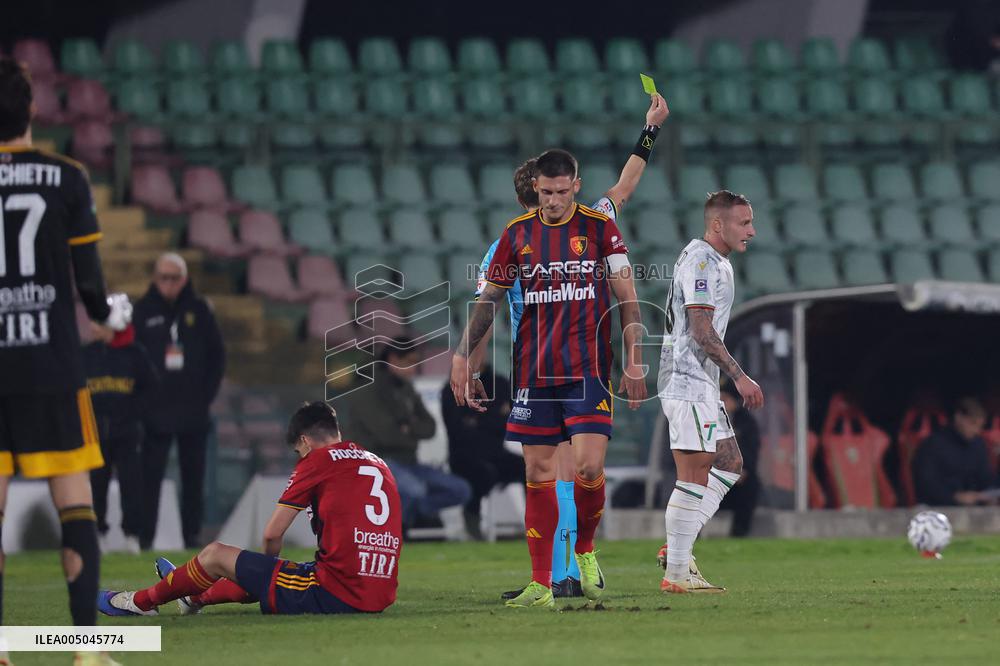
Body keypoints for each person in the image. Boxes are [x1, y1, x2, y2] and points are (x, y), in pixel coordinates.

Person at [467, 94, 669, 600]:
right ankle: (561, 575)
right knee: (556, 472)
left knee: (566, 471)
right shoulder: (516, 240)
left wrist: (469, 360)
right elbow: (627, 183)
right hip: (540, 366)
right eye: (544, 194)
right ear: (534, 194)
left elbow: (487, 306)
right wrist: (649, 131)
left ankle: (565, 571)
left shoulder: (514, 241)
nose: (551, 202)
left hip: (564, 363)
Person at [0, 56, 130, 666]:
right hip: (52, 364)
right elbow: (92, 295)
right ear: (30, 109)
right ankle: (83, 650)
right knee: (74, 501)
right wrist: (113, 315)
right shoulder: (67, 177)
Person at [98, 401, 402, 617]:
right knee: (290, 571)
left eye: (298, 450)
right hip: (378, 589)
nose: (300, 456)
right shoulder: (376, 461)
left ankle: (138, 602)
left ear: (305, 441)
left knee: (216, 554)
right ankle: (192, 595)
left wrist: (260, 570)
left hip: (337, 593)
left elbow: (272, 534)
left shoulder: (318, 461)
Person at [657, 190, 763, 594]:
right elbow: (701, 330)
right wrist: (739, 376)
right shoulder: (703, 261)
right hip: (686, 380)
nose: (751, 231)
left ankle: (677, 550)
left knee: (730, 463)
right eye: (744, 222)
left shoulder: (710, 259)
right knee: (695, 471)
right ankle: (678, 573)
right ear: (718, 224)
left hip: (697, 381)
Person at [133, 252, 225, 549]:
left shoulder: (199, 309)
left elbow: (217, 356)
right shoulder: (143, 311)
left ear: (184, 279)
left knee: (193, 478)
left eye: (175, 278)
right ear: (155, 278)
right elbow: (132, 358)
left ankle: (191, 535)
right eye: (164, 278)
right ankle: (145, 536)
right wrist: (142, 401)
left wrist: (204, 397)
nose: (169, 284)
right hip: (154, 412)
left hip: (192, 411)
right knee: (149, 478)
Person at [342, 337, 471, 532]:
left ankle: (408, 519)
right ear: (393, 359)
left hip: (409, 462)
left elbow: (430, 428)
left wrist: (407, 427)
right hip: (378, 462)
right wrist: (410, 428)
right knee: (414, 490)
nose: (414, 368)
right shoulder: (366, 389)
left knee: (460, 490)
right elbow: (387, 435)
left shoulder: (406, 388)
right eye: (410, 362)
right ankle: (397, 528)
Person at [82, 298, 159, 553]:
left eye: (99, 322)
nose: (93, 327)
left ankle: (132, 536)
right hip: (95, 435)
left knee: (132, 485)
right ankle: (98, 535)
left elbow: (150, 390)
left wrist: (132, 415)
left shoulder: (136, 354)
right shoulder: (87, 354)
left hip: (127, 433)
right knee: (97, 486)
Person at [441, 363, 524, 540]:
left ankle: (538, 523)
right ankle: (473, 525)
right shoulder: (452, 387)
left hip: (496, 451)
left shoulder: (500, 383)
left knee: (531, 469)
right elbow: (458, 429)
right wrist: (495, 414)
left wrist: (477, 419)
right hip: (463, 455)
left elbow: (510, 419)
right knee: (479, 473)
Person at [912, 397, 996, 506]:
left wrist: (988, 494)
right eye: (972, 423)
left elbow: (985, 478)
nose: (976, 430)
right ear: (959, 417)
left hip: (973, 507)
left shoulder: (978, 445)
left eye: (980, 426)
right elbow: (926, 482)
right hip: (939, 505)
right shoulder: (934, 444)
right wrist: (954, 496)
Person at [718, 380, 761, 537]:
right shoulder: (709, 420)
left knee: (751, 485)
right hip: (716, 476)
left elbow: (752, 451)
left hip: (739, 479)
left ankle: (739, 532)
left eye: (726, 398)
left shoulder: (746, 422)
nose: (722, 402)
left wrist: (742, 470)